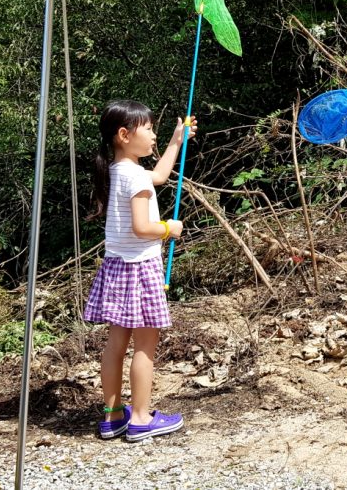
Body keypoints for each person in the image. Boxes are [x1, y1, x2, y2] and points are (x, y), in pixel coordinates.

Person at [84, 99, 196, 440]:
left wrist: (178, 140)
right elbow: (141, 228)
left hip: (117, 267)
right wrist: (169, 228)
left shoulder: (118, 170)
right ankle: (143, 418)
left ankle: (114, 415)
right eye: (147, 128)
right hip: (140, 269)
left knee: (116, 345)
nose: (152, 135)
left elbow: (160, 175)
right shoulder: (135, 177)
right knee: (146, 346)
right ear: (124, 134)